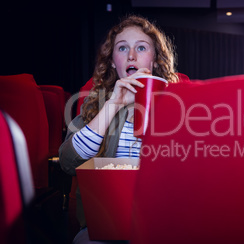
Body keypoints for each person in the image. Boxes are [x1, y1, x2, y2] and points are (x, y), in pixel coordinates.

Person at [59, 14, 178, 243]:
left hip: (161, 223)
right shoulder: (95, 103)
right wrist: (113, 104)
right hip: (106, 226)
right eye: (122, 48)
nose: (131, 55)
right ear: (113, 61)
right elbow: (68, 162)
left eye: (141, 48)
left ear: (154, 59)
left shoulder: (179, 104)